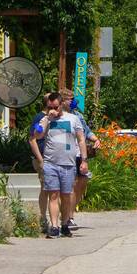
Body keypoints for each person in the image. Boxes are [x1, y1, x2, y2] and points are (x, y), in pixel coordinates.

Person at [29, 92, 88, 238]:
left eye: (55, 106)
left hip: (68, 163)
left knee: (66, 196)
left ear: (61, 105)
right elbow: (36, 136)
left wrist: (84, 160)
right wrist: (46, 120)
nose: (53, 109)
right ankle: (54, 226)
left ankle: (65, 223)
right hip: (50, 163)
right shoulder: (45, 119)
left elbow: (81, 139)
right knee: (53, 195)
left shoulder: (73, 119)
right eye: (50, 107)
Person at [63, 91, 100, 233]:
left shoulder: (78, 116)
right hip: (66, 154)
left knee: (82, 182)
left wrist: (96, 139)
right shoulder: (57, 117)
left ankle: (71, 211)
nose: (73, 102)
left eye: (73, 99)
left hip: (79, 154)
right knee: (71, 185)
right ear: (63, 101)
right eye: (70, 99)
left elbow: (86, 132)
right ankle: (68, 217)